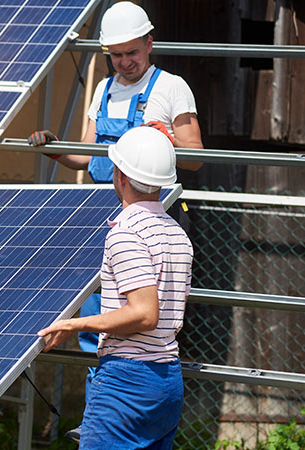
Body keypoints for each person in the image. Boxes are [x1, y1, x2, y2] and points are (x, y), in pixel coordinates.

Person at [28, 2, 201, 441]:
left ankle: (109, 419)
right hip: (103, 212)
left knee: (133, 314)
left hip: (147, 210)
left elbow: (195, 155)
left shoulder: (171, 87)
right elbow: (85, 157)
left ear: (149, 42)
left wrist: (163, 136)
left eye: (132, 52)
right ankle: (97, 415)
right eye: (116, 54)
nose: (125, 62)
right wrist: (52, 147)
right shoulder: (104, 87)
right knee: (100, 311)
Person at [38, 126, 193, 449]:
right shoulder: (178, 234)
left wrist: (75, 323)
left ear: (119, 174)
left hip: (126, 382)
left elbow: (144, 313)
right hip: (168, 380)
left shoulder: (125, 234)